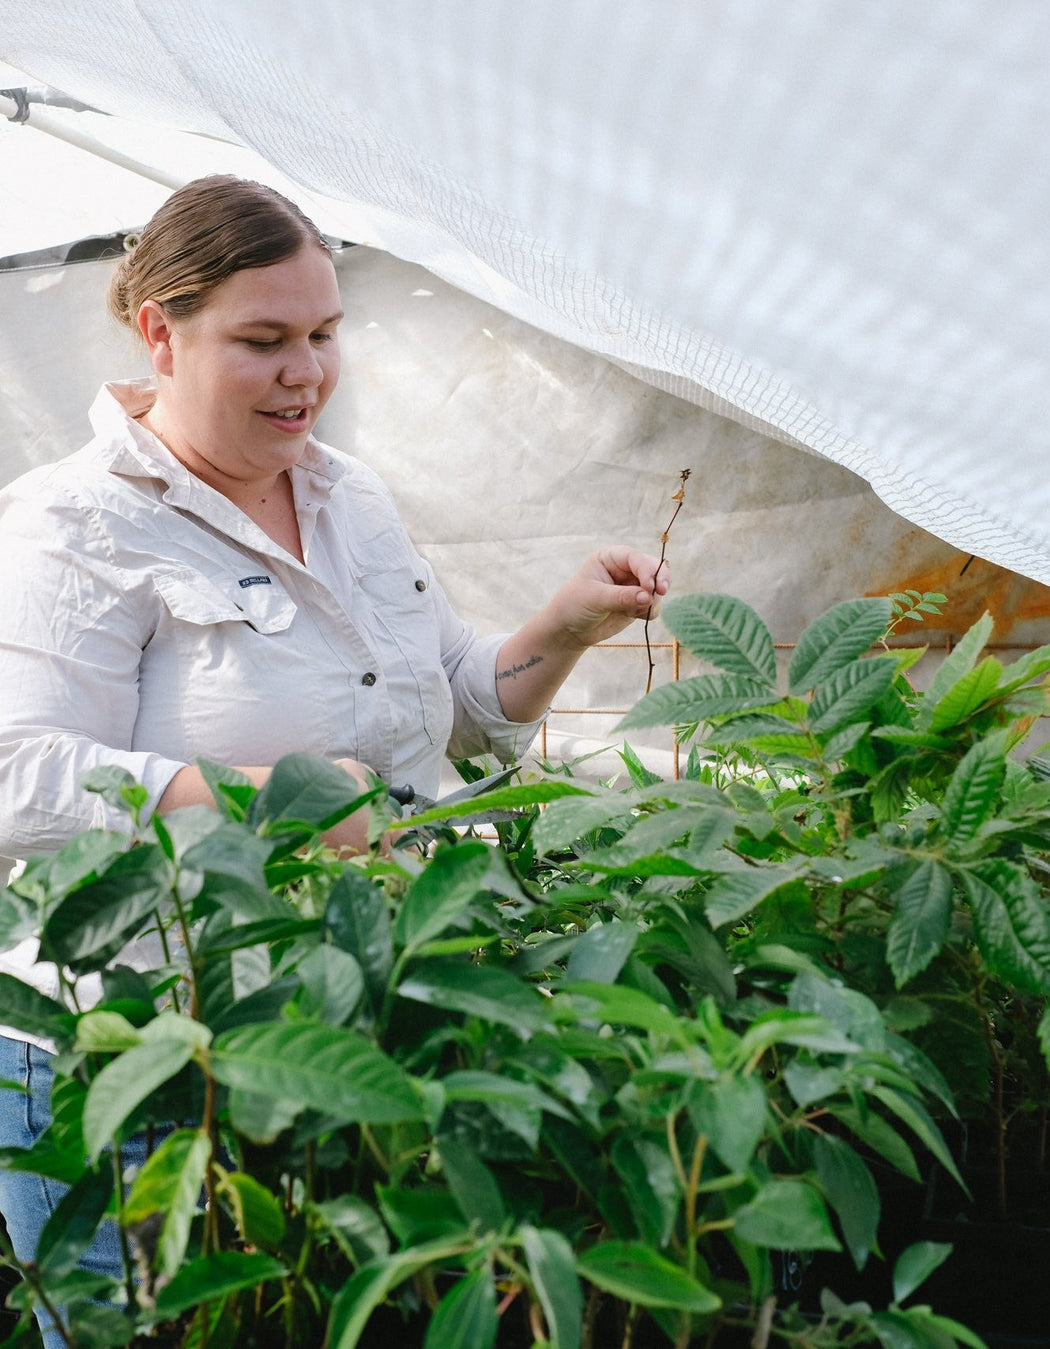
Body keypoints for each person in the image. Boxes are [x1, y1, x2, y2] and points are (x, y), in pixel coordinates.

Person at [0, 174, 669, 1338]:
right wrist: (281, 807)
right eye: (263, 340)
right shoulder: (75, 524)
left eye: (323, 334)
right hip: (147, 1060)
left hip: (355, 1035)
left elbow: (454, 710)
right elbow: (17, 778)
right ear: (159, 329)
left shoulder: (348, 495)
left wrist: (558, 630)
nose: (306, 370)